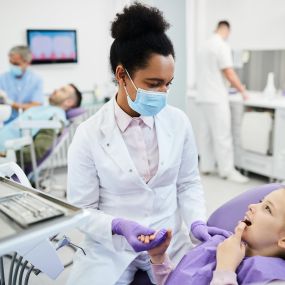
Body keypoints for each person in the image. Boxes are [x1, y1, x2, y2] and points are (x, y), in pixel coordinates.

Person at [66, 2, 206, 285]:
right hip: (111, 248)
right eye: (154, 84)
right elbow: (81, 210)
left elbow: (188, 183)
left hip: (170, 243)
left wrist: (197, 224)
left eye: (168, 83)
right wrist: (117, 226)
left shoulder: (178, 122)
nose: (163, 93)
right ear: (122, 75)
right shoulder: (89, 134)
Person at [145, 187, 285, 285]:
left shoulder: (271, 279)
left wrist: (225, 268)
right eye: (261, 201)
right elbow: (180, 281)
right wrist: (159, 259)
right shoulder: (219, 244)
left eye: (267, 208)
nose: (252, 206)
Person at [196, 21, 249, 183]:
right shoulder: (221, 45)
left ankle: (206, 167)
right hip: (216, 97)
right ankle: (227, 171)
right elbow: (229, 72)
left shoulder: (203, 46)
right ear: (226, 30)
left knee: (206, 135)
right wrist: (243, 91)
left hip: (203, 96)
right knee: (223, 135)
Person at [0, 83, 82, 164]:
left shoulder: (56, 118)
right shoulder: (44, 109)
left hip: (4, 157)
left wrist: (6, 155)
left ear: (68, 102)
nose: (56, 90)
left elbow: (38, 149)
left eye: (62, 90)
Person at [0, 45, 44, 123]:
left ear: (27, 63)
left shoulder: (36, 80)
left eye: (16, 64)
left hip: (28, 122)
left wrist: (11, 103)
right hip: (5, 123)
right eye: (11, 62)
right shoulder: (2, 78)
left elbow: (35, 106)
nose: (12, 66)